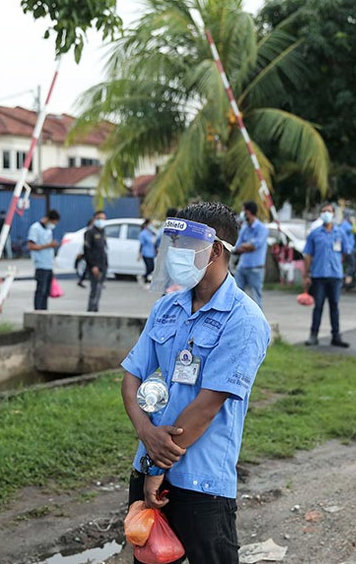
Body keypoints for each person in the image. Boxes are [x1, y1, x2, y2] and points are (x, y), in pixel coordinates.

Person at [121, 202, 270, 564]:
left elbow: (207, 406)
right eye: (171, 243)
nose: (174, 253)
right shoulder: (167, 307)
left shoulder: (244, 320)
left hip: (202, 484)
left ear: (215, 249)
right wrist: (145, 432)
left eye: (184, 244)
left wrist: (158, 466)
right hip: (147, 466)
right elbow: (132, 374)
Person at [303, 203, 352, 348]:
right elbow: (308, 255)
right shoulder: (315, 234)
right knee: (318, 306)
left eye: (328, 211)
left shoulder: (340, 233)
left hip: (335, 275)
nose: (326, 213)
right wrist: (306, 274)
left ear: (333, 214)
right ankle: (313, 335)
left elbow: (345, 252)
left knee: (334, 306)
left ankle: (336, 336)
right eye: (323, 211)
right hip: (318, 275)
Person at [234, 201, 269, 309]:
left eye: (243, 210)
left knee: (255, 298)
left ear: (248, 212)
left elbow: (254, 246)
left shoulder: (261, 228)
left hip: (256, 268)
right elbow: (237, 247)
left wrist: (246, 246)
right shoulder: (245, 228)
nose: (242, 213)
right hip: (242, 267)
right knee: (235, 296)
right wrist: (246, 246)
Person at [27, 210, 60, 311]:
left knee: (46, 292)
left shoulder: (48, 230)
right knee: (40, 291)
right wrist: (48, 245)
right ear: (48, 219)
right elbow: (31, 246)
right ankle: (38, 311)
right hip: (41, 264)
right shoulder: (35, 228)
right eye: (53, 223)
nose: (53, 225)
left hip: (49, 264)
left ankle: (44, 312)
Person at [84, 210, 108, 312]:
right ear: (95, 219)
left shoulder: (102, 232)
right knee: (94, 289)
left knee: (99, 290)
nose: (102, 221)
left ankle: (95, 309)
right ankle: (91, 310)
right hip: (95, 266)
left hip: (102, 265)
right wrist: (93, 266)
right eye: (100, 219)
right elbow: (87, 251)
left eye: (104, 219)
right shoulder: (90, 232)